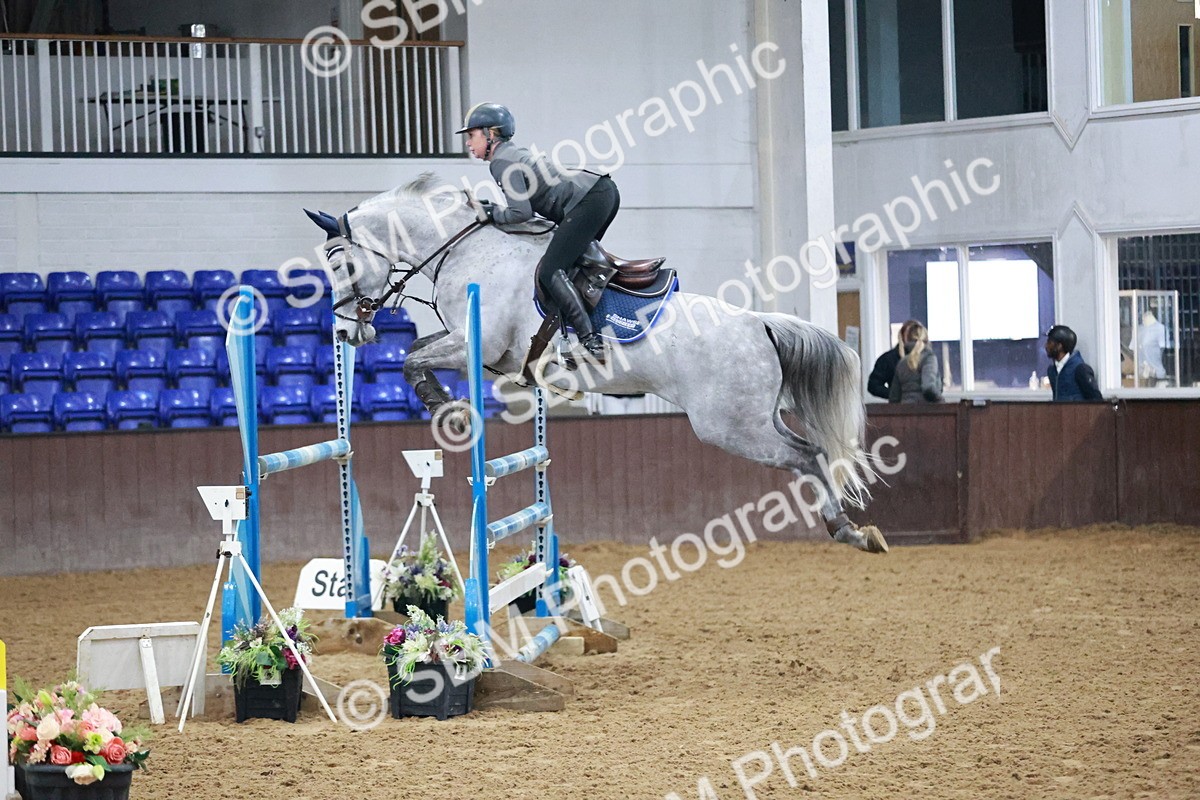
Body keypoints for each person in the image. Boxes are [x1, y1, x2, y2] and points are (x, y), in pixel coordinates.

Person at [457, 102, 617, 364]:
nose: (468, 143)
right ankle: (570, 337)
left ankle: (590, 341)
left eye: (472, 135)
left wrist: (490, 213)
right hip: (600, 193)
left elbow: (520, 213)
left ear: (490, 134)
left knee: (550, 271)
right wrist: (494, 209)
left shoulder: (501, 161)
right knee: (568, 268)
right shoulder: (511, 154)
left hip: (591, 199)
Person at [1044, 324, 1103, 401]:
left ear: (1059, 346)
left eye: (1049, 342)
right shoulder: (1052, 371)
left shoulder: (1080, 369)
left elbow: (1096, 400)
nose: (1046, 346)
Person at [888, 321, 942, 404]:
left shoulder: (902, 362)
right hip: (927, 409)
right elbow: (928, 388)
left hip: (905, 409)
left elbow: (894, 397)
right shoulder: (929, 358)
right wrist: (939, 399)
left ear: (907, 339)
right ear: (926, 340)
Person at [867, 320, 917, 400]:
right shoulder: (889, 359)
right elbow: (873, 385)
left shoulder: (927, 358)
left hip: (906, 404)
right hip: (906, 405)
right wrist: (894, 394)